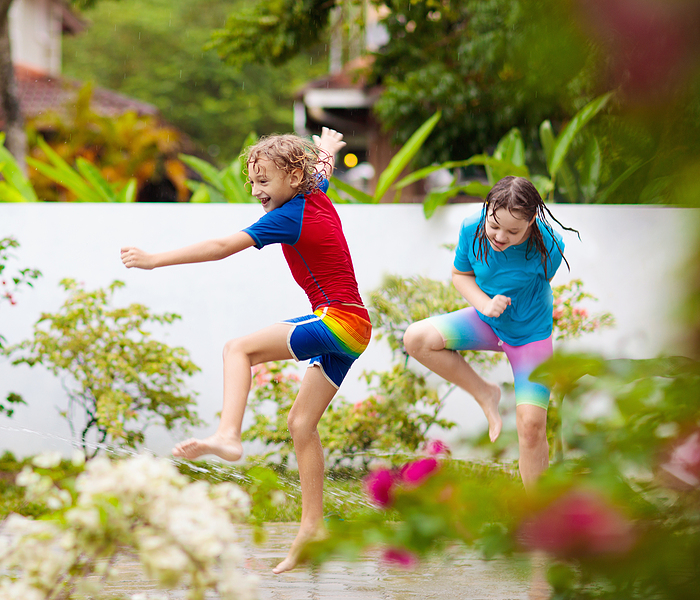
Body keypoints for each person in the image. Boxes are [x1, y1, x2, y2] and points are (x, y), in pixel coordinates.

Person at [121, 128, 371, 573]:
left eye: (264, 182)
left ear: (294, 178)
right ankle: (311, 525)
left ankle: (228, 435)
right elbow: (321, 171)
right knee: (300, 423)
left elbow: (220, 247)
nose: (256, 192)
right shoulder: (314, 193)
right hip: (353, 326)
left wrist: (154, 259)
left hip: (339, 320)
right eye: (252, 182)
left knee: (238, 349)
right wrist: (329, 150)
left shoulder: (288, 214)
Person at [403, 176, 576, 491]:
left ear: (531, 222)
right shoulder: (472, 228)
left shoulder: (548, 243)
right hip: (487, 322)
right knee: (417, 339)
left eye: (513, 231)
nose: (499, 236)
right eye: (495, 225)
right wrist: (485, 304)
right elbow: (460, 274)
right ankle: (485, 393)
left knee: (532, 427)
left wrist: (513, 307)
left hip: (530, 336)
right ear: (488, 209)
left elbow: (543, 281)